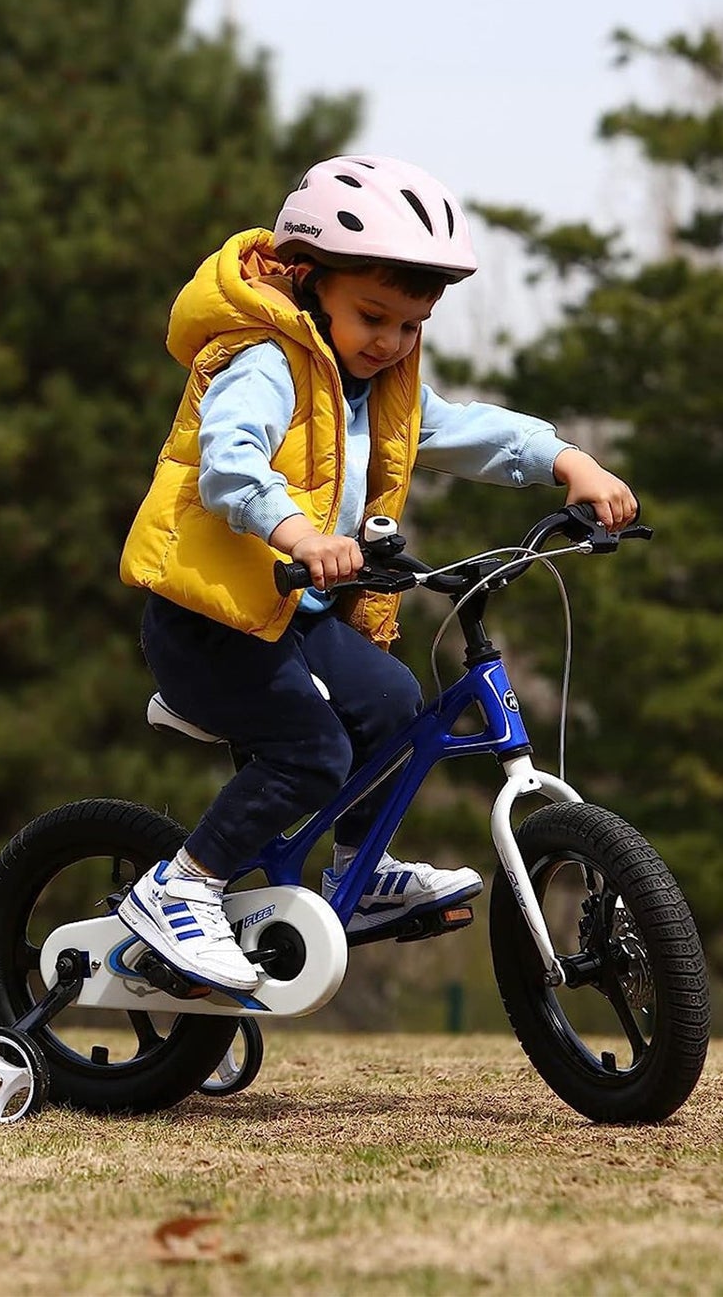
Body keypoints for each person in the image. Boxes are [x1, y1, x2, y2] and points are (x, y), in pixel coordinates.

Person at [116, 155, 637, 991]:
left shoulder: (373, 387)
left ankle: (357, 874)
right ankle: (182, 884)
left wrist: (565, 460)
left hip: (292, 616)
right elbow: (228, 463)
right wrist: (295, 531)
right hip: (208, 619)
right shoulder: (262, 359)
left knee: (394, 703)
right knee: (312, 753)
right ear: (306, 277)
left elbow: (463, 428)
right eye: (372, 315)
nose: (390, 341)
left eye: (409, 324)